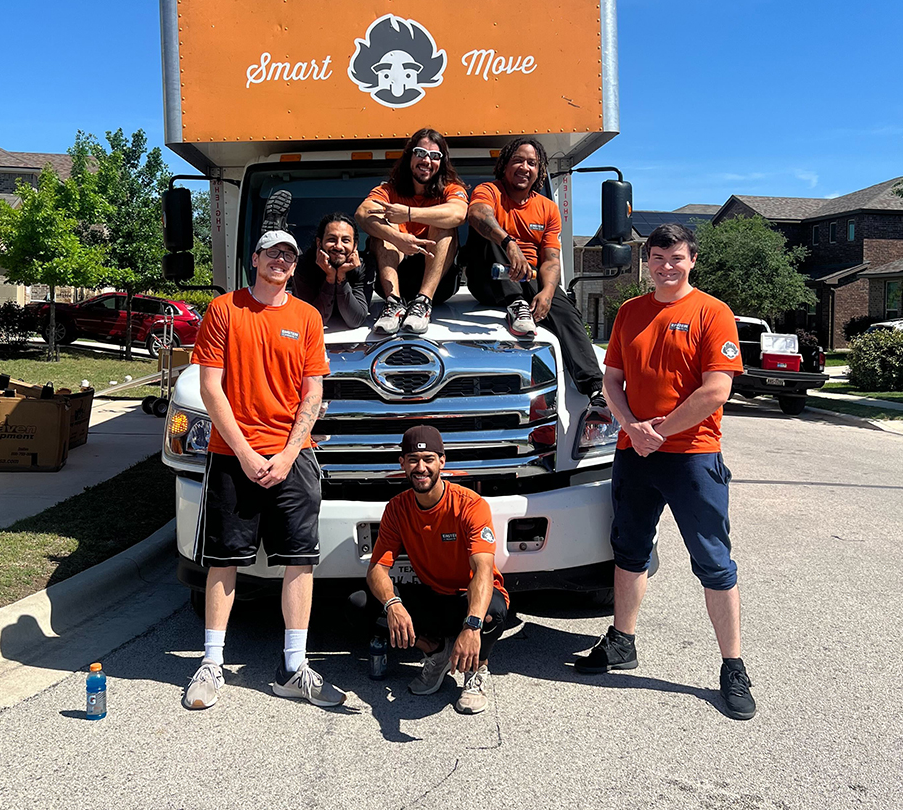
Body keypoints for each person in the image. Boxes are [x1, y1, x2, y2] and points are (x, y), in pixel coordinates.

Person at [574, 223, 756, 720]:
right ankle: (622, 642)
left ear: (692, 260)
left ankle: (732, 665)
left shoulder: (713, 313)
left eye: (675, 257)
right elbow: (612, 378)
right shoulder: (630, 312)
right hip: (635, 454)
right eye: (657, 257)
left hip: (693, 455)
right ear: (646, 261)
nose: (666, 266)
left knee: (714, 563)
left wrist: (659, 430)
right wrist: (631, 425)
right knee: (628, 551)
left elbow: (716, 390)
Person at [183, 228, 347, 710]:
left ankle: (293, 668)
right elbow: (211, 389)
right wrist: (249, 454)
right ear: (254, 259)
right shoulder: (223, 311)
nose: (280, 260)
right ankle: (212, 663)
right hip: (232, 456)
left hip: (291, 458)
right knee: (223, 560)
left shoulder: (308, 318)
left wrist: (287, 455)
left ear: (297, 266)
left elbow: (312, 393)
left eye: (289, 255)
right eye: (272, 252)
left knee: (300, 560)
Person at [366, 426, 510, 715]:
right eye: (413, 460)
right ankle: (435, 652)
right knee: (365, 604)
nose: (421, 468)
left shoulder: (470, 504)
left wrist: (472, 625)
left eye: (429, 459)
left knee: (493, 610)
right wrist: (393, 604)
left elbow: (483, 569)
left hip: (468, 598)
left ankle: (476, 669)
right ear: (402, 464)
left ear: (442, 461)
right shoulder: (397, 508)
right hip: (434, 595)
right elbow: (377, 568)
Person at [466, 137, 604, 399]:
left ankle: (594, 389)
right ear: (505, 165)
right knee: (487, 232)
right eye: (518, 160)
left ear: (540, 172)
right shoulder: (489, 191)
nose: (524, 167)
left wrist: (549, 293)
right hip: (488, 277)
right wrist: (508, 242)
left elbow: (551, 259)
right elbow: (477, 215)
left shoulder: (548, 208)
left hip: (530, 277)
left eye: (532, 163)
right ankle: (516, 303)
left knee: (567, 313)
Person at [355, 128, 468, 335]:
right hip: (390, 281)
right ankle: (393, 304)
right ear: (409, 156)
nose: (427, 160)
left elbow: (459, 214)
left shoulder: (451, 188)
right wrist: (397, 238)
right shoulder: (389, 190)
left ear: (442, 163)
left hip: (439, 285)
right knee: (383, 228)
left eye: (435, 156)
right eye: (420, 153)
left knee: (444, 225)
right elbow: (362, 213)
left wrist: (408, 213)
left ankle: (423, 303)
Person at [292, 212, 375, 329]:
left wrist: (341, 277)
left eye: (345, 240)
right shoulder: (304, 265)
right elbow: (312, 320)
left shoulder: (363, 266)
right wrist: (330, 279)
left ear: (355, 246)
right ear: (319, 243)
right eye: (332, 239)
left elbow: (356, 320)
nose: (339, 246)